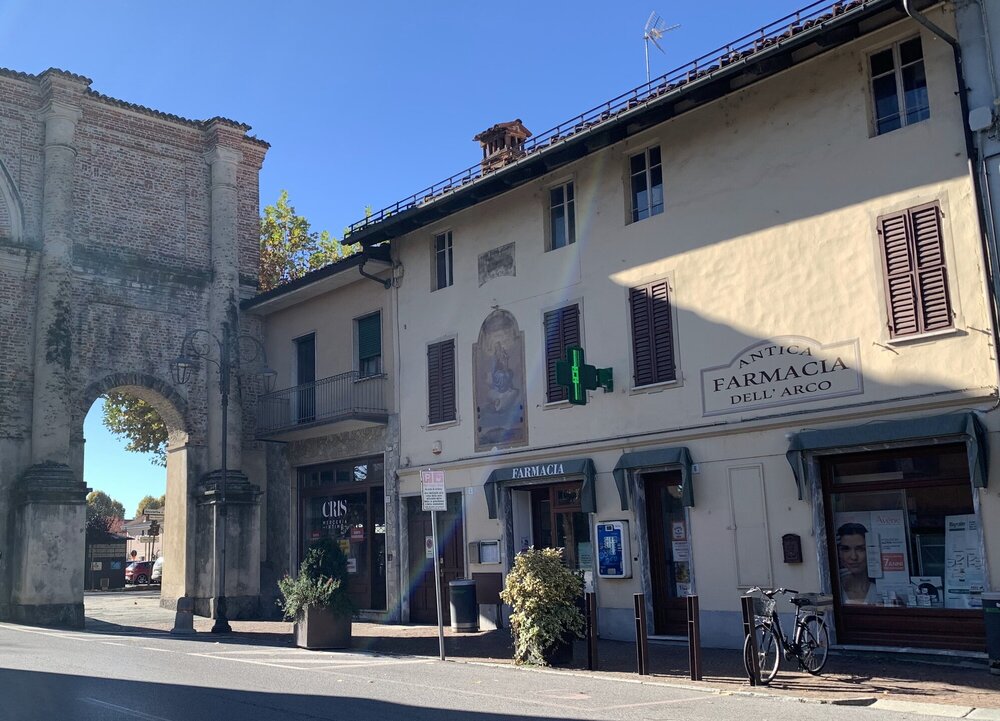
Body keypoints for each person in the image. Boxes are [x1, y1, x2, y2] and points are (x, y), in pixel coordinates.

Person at [836, 522, 878, 604]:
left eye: (860, 549)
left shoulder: (880, 592)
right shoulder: (831, 590)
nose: (854, 557)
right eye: (846, 549)